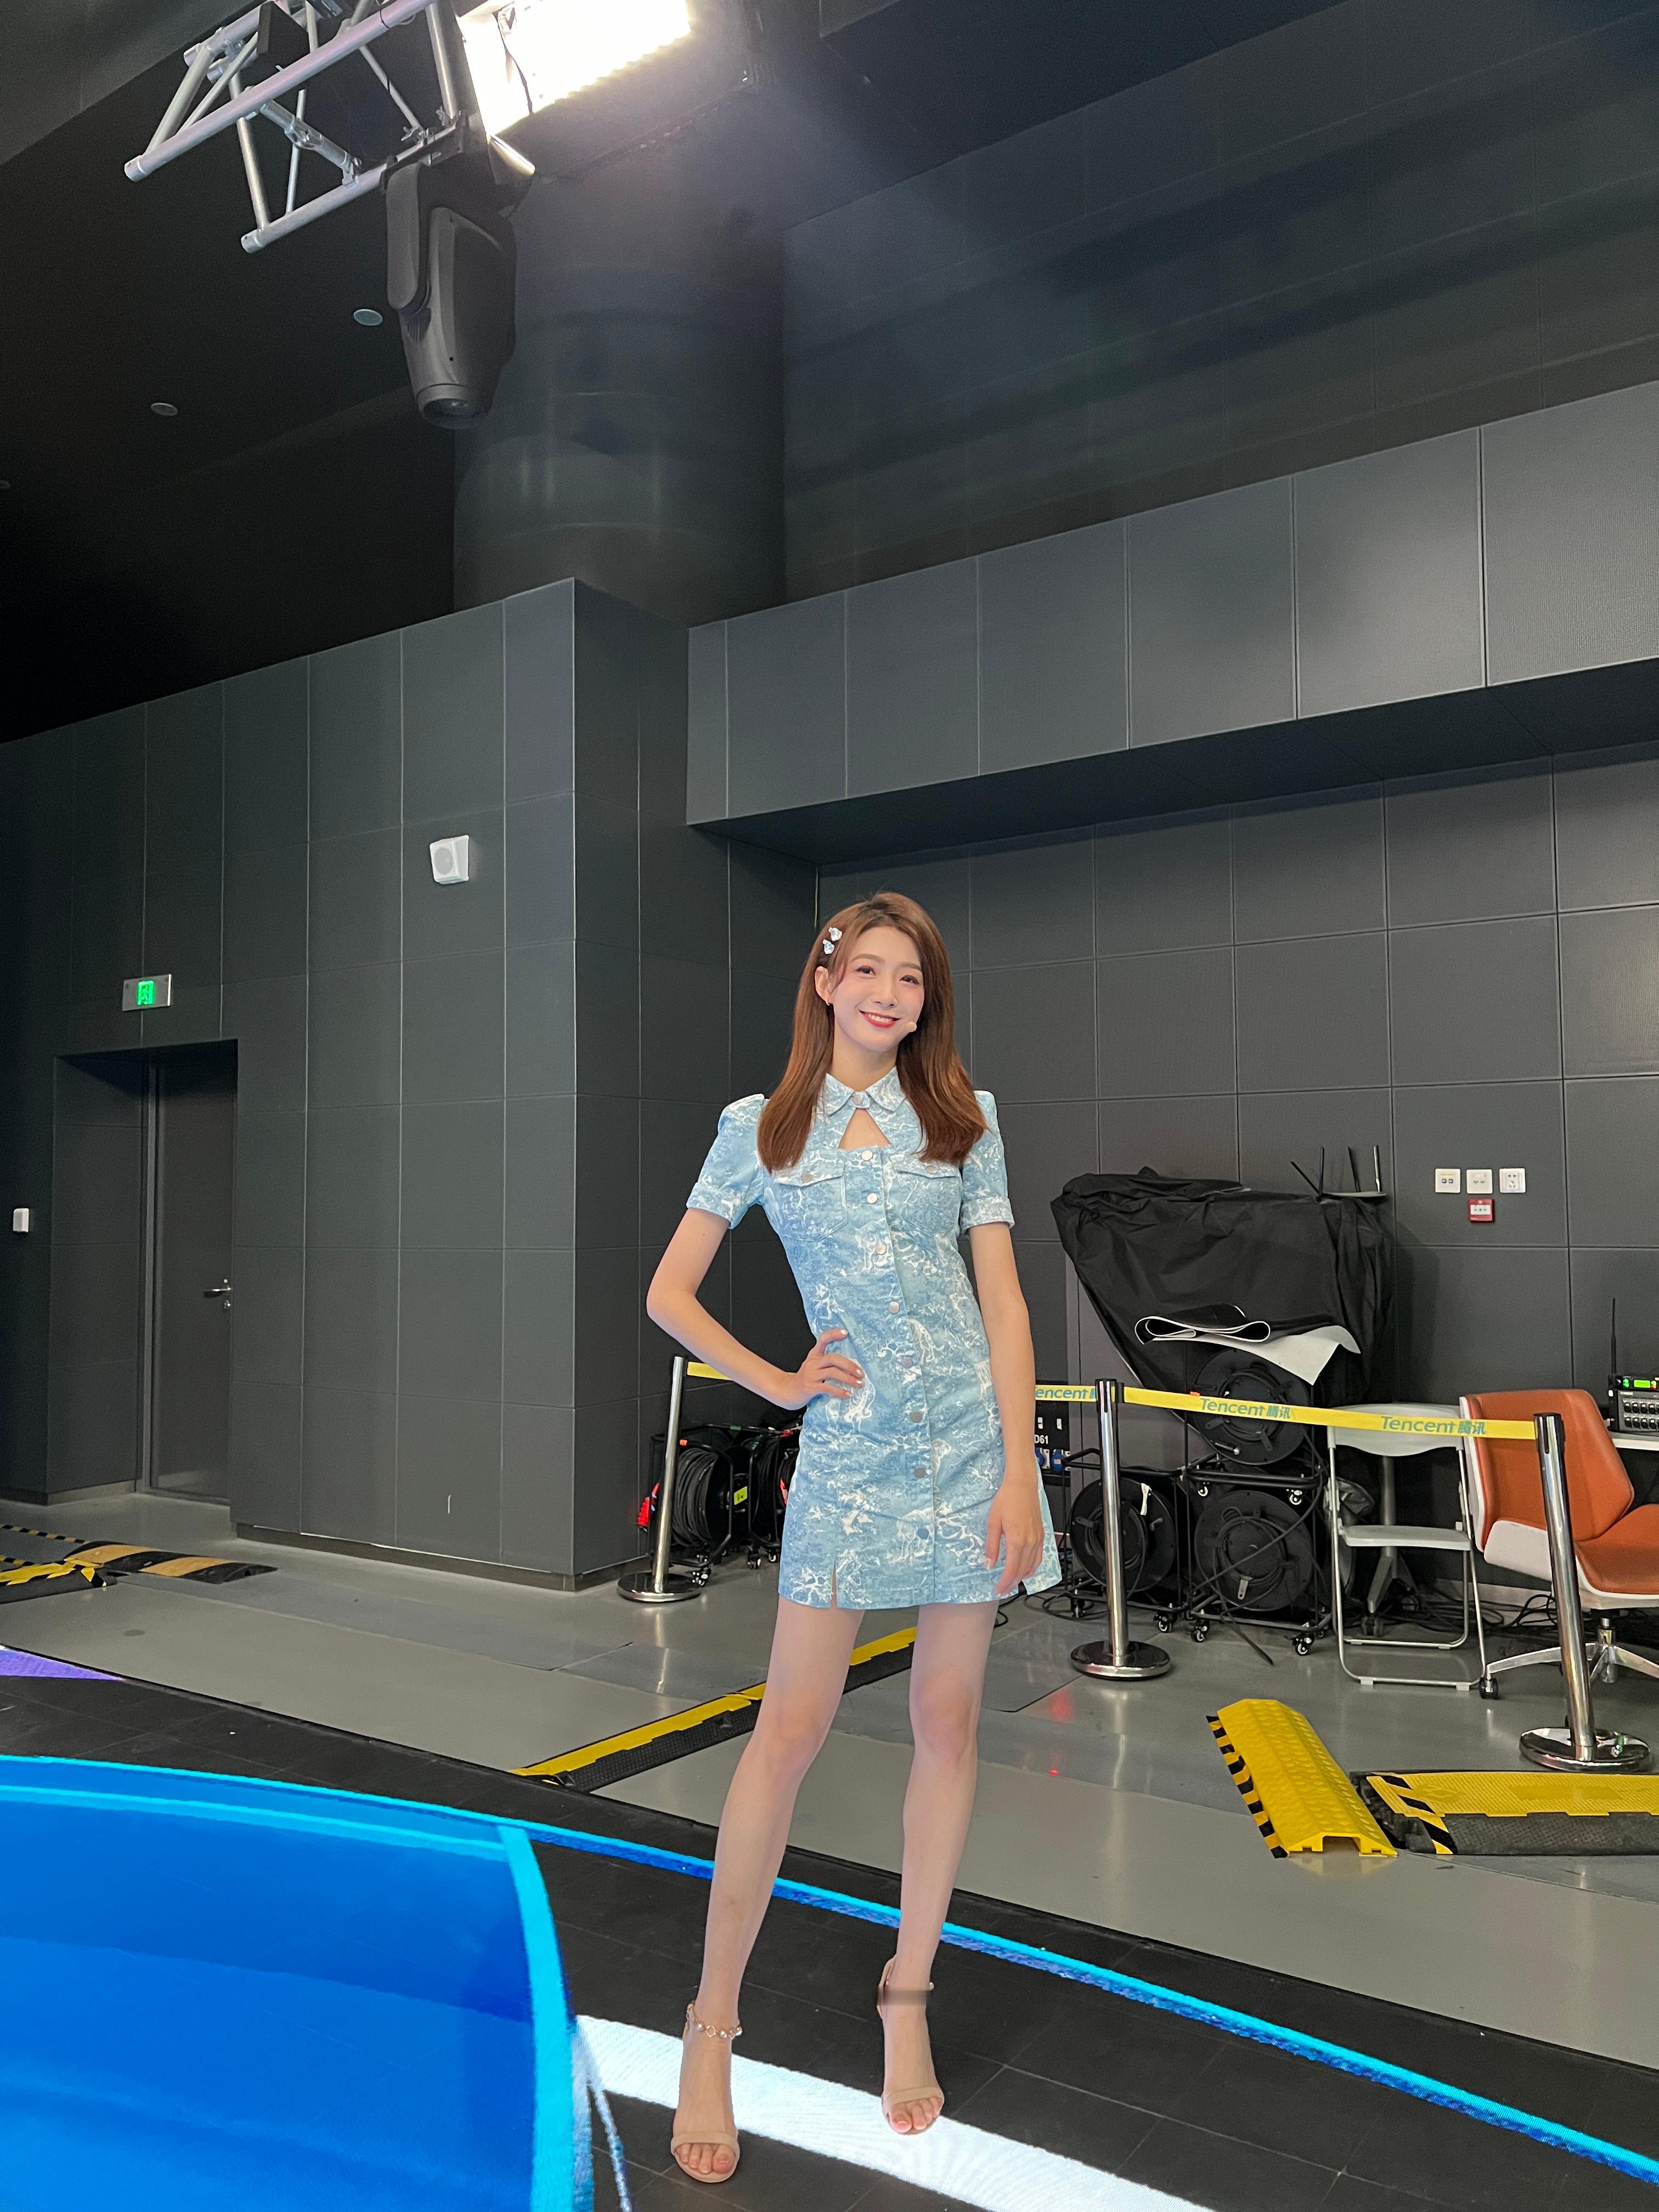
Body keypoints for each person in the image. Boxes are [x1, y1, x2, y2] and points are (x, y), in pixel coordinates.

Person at [645, 890, 1061, 2185]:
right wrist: (777, 1382)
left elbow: (1004, 1301)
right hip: (850, 1461)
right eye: (869, 970)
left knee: (949, 1723)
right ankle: (712, 2022)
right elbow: (668, 1292)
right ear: (826, 980)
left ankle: (908, 1992)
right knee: (788, 1733)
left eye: (912, 977)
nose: (889, 993)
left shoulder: (965, 1117)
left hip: (971, 1456)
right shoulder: (760, 1129)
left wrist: (1021, 1472)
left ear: (930, 999)